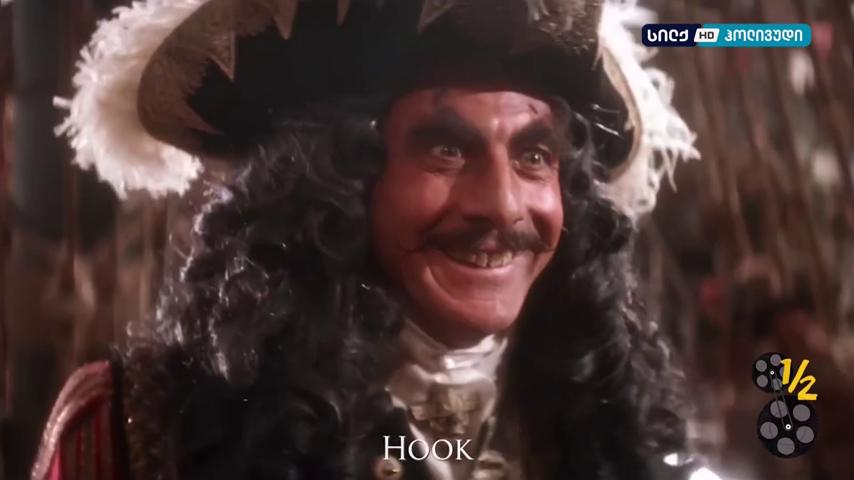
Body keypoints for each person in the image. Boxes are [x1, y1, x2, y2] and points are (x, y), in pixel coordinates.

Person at [32, 1, 708, 479]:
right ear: (333, 182)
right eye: (446, 149)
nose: (503, 205)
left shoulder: (612, 429)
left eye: (534, 156)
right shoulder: (135, 434)